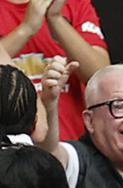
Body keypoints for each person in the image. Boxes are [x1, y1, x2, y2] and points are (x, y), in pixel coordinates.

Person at [0, 0, 108, 140]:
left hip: (73, 145)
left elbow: (103, 80)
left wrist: (56, 18)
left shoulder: (74, 4)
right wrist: (26, 29)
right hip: (10, 146)